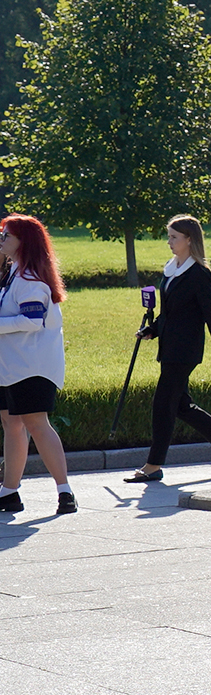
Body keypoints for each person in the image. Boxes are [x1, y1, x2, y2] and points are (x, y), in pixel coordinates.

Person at [126, 215, 211, 483]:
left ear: (189, 240)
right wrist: (151, 329)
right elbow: (169, 312)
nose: (169, 242)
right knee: (180, 405)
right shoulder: (171, 269)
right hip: (169, 346)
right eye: (169, 237)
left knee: (163, 404)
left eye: (174, 237)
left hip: (185, 350)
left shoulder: (199, 274)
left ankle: (153, 465)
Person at [0, 214, 73, 515]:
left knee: (35, 424)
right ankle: (9, 491)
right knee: (11, 424)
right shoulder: (15, 273)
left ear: (23, 242)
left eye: (6, 235)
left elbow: (32, 320)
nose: (1, 239)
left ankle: (65, 492)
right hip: (12, 367)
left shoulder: (30, 279)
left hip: (32, 368)